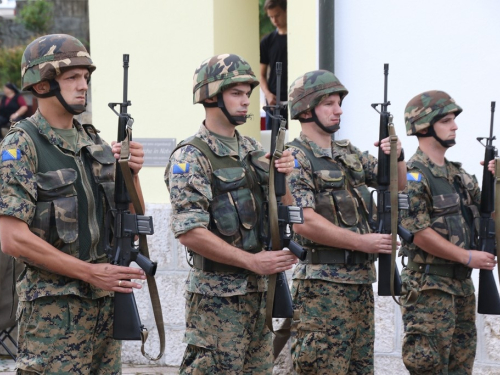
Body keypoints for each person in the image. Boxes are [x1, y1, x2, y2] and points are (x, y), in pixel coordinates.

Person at [0, 34, 147, 375]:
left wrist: (132, 174)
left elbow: (132, 216)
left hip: (104, 309)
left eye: (86, 77)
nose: (83, 86)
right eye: (72, 78)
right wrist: (90, 272)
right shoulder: (22, 145)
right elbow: (11, 238)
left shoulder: (92, 141)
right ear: (41, 85)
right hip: (54, 314)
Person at [165, 53, 298, 374]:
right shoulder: (191, 155)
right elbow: (189, 231)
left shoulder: (254, 150)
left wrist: (286, 177)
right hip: (216, 299)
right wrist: (251, 261)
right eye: (236, 93)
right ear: (210, 96)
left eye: (248, 94)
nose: (245, 102)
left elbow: (287, 212)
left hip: (258, 293)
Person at [285, 70, 407, 374]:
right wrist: (362, 242)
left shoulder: (349, 154)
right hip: (322, 288)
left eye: (339, 102)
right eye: (329, 103)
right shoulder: (295, 158)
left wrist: (399, 155)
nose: (338, 109)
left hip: (359, 283)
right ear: (305, 110)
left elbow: (398, 184)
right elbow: (304, 222)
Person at [399, 90, 497, 375]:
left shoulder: (461, 176)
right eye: (447, 120)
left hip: (462, 287)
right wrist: (467, 256)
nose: (455, 126)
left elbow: (488, 218)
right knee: (428, 367)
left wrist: (497, 182)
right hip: (429, 287)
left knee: (460, 369)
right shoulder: (413, 175)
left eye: (454, 120)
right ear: (424, 126)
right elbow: (417, 232)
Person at [260, 0, 288, 130]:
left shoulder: (297, 38)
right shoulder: (267, 41)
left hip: (294, 102)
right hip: (273, 103)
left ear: (286, 11)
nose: (274, 20)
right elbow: (261, 74)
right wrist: (267, 94)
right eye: (271, 17)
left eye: (277, 15)